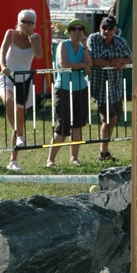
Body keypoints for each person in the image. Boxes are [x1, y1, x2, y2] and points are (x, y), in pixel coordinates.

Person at [0, 9, 43, 172]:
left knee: (20, 120)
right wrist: (4, 67)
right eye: (24, 21)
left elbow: (39, 55)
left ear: (34, 24)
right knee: (9, 101)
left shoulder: (36, 37)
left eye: (31, 22)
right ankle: (20, 135)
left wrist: (31, 37)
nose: (27, 25)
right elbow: (2, 52)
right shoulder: (10, 34)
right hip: (8, 77)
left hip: (25, 80)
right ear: (18, 22)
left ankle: (13, 160)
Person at [46, 18, 92, 168]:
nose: (77, 31)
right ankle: (50, 160)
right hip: (63, 90)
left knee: (77, 126)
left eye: (80, 29)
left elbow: (89, 64)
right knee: (63, 127)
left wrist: (85, 46)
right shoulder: (62, 45)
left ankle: (74, 158)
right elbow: (63, 63)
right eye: (74, 29)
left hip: (81, 89)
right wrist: (82, 65)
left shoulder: (83, 47)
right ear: (69, 31)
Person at [87, 15, 132, 163]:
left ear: (115, 30)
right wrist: (113, 62)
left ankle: (104, 152)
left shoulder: (122, 42)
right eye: (104, 27)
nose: (106, 31)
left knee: (113, 119)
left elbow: (129, 58)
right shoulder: (93, 39)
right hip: (99, 87)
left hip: (115, 87)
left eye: (110, 28)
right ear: (99, 28)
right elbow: (93, 60)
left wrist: (121, 60)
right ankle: (103, 152)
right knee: (110, 118)